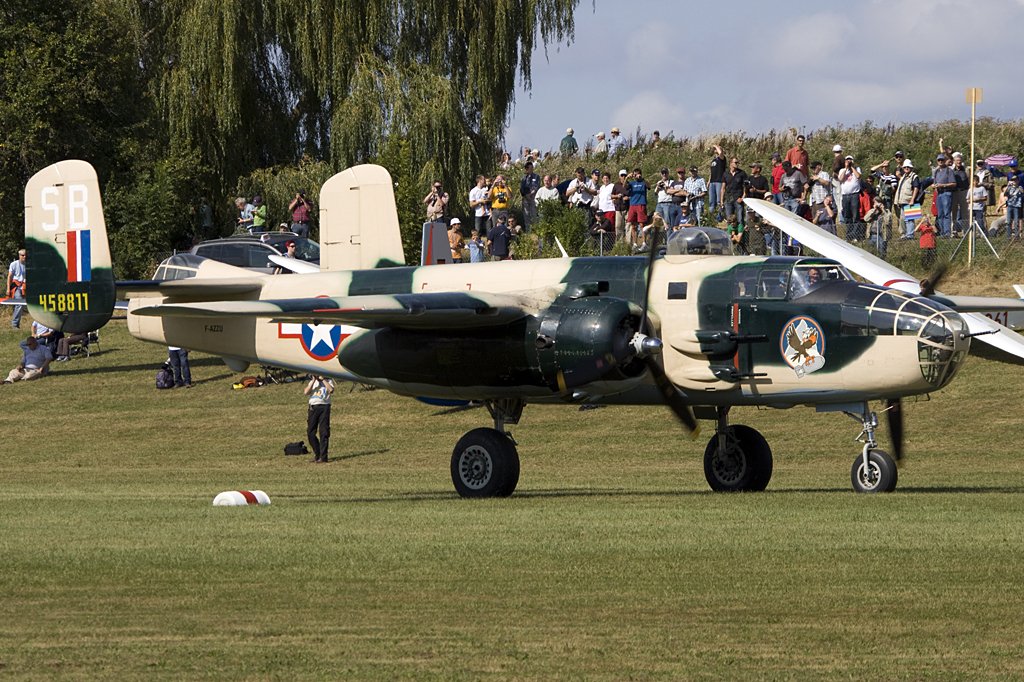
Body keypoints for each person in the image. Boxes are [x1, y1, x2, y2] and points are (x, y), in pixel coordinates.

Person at [304, 374, 335, 463]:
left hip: (324, 407)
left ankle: (323, 457)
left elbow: (331, 390)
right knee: (310, 432)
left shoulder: (328, 381)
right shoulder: (312, 382)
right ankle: (317, 454)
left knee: (324, 432)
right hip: (313, 408)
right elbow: (306, 392)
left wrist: (323, 380)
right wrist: (314, 381)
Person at [838, 155, 863, 241]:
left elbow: (859, 176)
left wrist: (851, 167)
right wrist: (846, 169)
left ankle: (855, 235)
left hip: (854, 194)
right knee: (847, 215)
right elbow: (840, 179)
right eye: (847, 160)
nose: (848, 161)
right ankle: (849, 235)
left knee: (855, 215)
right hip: (845, 195)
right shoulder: (842, 170)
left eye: (850, 160)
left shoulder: (857, 168)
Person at [895, 159, 921, 239]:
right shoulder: (903, 177)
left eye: (908, 167)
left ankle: (910, 234)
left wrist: (912, 199)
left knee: (910, 218)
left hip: (909, 200)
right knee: (903, 218)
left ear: (911, 168)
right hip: (903, 200)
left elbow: (916, 188)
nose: (906, 168)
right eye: (905, 167)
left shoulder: (914, 176)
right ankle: (905, 234)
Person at [932, 154, 956, 237]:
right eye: (939, 160)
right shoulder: (936, 171)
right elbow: (934, 183)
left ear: (945, 160)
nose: (940, 161)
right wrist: (934, 186)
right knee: (940, 214)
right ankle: (942, 232)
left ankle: (947, 232)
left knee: (946, 213)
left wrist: (943, 185)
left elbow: (953, 183)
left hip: (946, 193)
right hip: (939, 194)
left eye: (942, 160)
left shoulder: (949, 171)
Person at [626, 168, 650, 249]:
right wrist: (626, 178)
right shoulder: (632, 183)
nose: (636, 175)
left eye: (638, 173)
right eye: (635, 174)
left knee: (642, 224)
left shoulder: (643, 182)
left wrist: (642, 178)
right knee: (633, 225)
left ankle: (644, 243)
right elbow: (624, 187)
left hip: (641, 204)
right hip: (632, 205)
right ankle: (635, 243)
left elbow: (649, 186)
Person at [722, 157, 747, 230]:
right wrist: (721, 200)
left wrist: (743, 197)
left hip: (738, 198)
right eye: (735, 162)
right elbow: (723, 188)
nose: (737, 164)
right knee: (729, 219)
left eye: (737, 162)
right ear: (731, 163)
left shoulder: (742, 173)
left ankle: (741, 237)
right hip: (728, 198)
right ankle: (730, 236)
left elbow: (745, 186)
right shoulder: (725, 174)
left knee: (740, 219)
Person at [8, 248, 26, 329]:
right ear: (19, 256)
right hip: (16, 286)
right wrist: (8, 289)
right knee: (19, 304)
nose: (24, 257)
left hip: (25, 286)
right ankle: (15, 324)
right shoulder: (14, 264)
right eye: (23, 255)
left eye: (25, 255)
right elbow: (9, 277)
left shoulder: (29, 264)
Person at [519, 161, 541, 230]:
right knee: (526, 215)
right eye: (529, 168)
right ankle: (528, 230)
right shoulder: (523, 178)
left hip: (533, 198)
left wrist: (531, 194)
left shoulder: (536, 177)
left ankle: (535, 230)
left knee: (534, 214)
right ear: (526, 169)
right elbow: (521, 188)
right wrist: (525, 195)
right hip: (525, 198)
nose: (531, 169)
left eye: (532, 167)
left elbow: (536, 186)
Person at [708, 145, 726, 217]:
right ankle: (711, 216)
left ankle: (720, 216)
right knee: (711, 201)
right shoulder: (713, 160)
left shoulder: (722, 159)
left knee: (719, 201)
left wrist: (715, 145)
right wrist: (709, 181)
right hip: (712, 182)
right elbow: (712, 172)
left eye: (716, 149)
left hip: (719, 182)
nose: (715, 150)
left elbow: (721, 152)